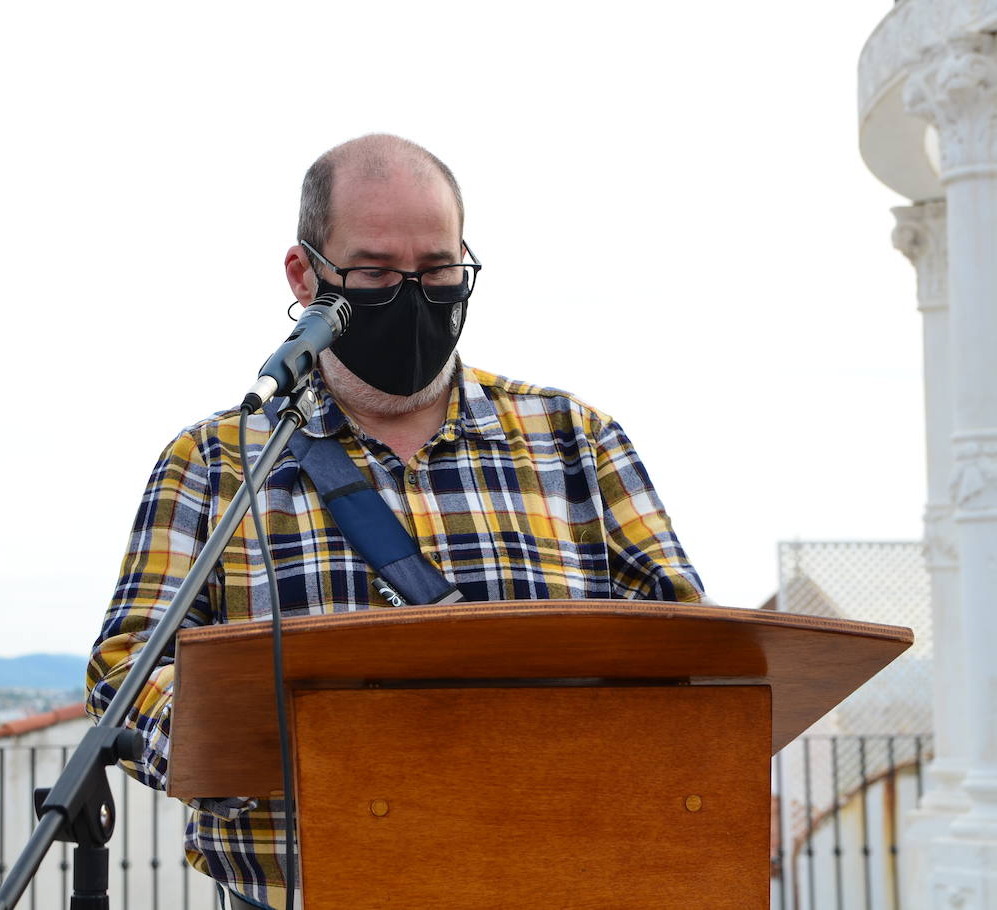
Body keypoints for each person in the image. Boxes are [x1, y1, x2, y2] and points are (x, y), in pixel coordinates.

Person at [86, 133, 705, 909]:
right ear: (304, 274)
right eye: (375, 271)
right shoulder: (212, 462)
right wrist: (272, 742)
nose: (413, 295)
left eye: (439, 269)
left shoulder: (576, 438)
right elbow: (126, 671)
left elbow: (693, 653)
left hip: (554, 883)